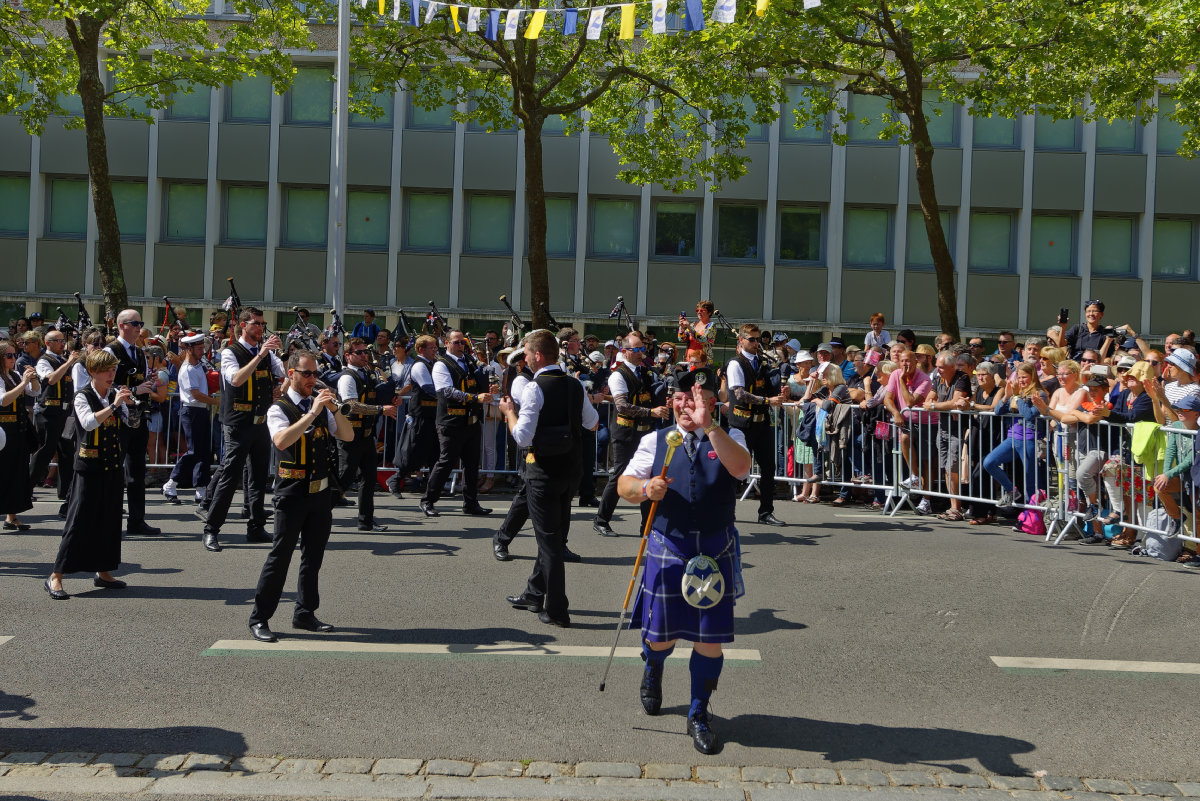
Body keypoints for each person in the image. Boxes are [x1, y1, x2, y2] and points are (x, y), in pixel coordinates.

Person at [617, 366, 751, 755]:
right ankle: (653, 666)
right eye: (678, 398)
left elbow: (741, 469)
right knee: (661, 635)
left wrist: (711, 428)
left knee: (710, 639)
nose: (683, 405)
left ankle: (698, 712)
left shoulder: (730, 436)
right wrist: (645, 487)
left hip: (715, 548)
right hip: (669, 545)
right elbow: (625, 485)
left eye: (693, 399)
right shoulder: (654, 441)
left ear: (710, 403)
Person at [248, 350, 354, 643]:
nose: (312, 379)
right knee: (279, 557)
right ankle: (259, 618)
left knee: (313, 557)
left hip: (319, 494)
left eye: (315, 374)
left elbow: (348, 436)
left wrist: (332, 409)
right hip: (291, 493)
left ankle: (305, 612)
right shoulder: (278, 409)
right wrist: (312, 413)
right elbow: (281, 440)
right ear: (291, 374)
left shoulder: (319, 406)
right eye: (306, 373)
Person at [499, 329, 598, 627]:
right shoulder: (574, 385)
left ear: (538, 355)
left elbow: (522, 437)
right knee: (552, 536)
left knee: (549, 543)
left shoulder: (533, 387)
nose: (525, 359)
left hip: (542, 473)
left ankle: (556, 609)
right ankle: (534, 593)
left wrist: (508, 413)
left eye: (527, 353)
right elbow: (592, 424)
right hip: (570, 473)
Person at [46, 349, 133, 599]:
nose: (111, 374)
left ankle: (103, 571)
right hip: (88, 466)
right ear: (92, 372)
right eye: (106, 370)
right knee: (78, 520)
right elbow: (88, 423)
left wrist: (130, 406)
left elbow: (131, 423)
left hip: (112, 465)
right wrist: (114, 406)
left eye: (114, 369)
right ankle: (56, 576)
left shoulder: (114, 394)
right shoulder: (82, 396)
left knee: (109, 519)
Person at [199, 307, 285, 552]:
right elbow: (235, 379)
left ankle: (256, 526)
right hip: (237, 424)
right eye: (256, 323)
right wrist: (260, 355)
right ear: (244, 325)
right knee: (230, 477)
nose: (261, 327)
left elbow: (286, 372)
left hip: (260, 423)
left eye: (262, 323)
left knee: (259, 478)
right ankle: (211, 530)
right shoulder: (230, 352)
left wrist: (280, 385)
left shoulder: (266, 353)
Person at [594, 331, 669, 536]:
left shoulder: (646, 372)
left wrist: (663, 403)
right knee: (619, 475)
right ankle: (601, 520)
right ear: (625, 352)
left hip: (645, 433)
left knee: (648, 476)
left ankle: (647, 526)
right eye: (636, 349)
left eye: (643, 349)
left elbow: (650, 397)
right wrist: (651, 412)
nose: (640, 353)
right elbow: (623, 406)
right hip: (625, 432)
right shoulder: (618, 375)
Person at [419, 329, 493, 518]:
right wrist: (475, 398)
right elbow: (446, 392)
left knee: (472, 464)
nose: (461, 346)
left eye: (463, 343)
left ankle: (471, 503)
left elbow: (477, 382)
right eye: (457, 342)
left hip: (471, 421)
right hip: (451, 421)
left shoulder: (468, 361)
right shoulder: (441, 365)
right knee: (446, 462)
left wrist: (487, 379)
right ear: (447, 343)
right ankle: (428, 500)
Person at [104, 310, 161, 537]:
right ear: (121, 326)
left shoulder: (138, 352)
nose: (139, 327)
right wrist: (135, 389)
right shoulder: (111, 351)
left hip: (137, 417)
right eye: (134, 323)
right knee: (115, 469)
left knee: (137, 469)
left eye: (140, 323)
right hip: (118, 418)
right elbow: (105, 385)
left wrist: (149, 381)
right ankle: (109, 519)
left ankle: (137, 520)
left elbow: (136, 380)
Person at [725, 323, 788, 525]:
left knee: (769, 467)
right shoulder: (736, 363)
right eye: (751, 339)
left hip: (762, 424)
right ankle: (725, 511)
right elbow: (740, 394)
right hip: (741, 424)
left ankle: (766, 512)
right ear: (741, 340)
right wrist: (768, 401)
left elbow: (768, 390)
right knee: (736, 469)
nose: (755, 343)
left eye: (757, 339)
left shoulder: (762, 362)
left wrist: (780, 393)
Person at [336, 337, 398, 532]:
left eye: (365, 351)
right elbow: (351, 405)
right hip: (350, 435)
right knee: (343, 480)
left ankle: (366, 520)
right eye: (359, 352)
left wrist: (392, 400)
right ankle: (316, 516)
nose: (365, 355)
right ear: (348, 355)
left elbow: (376, 396)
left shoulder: (368, 374)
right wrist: (381, 409)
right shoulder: (347, 377)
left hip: (366, 435)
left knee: (369, 479)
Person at [164, 333, 217, 505]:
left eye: (203, 348)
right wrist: (218, 402)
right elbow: (195, 395)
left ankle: (201, 489)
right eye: (199, 349)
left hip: (200, 411)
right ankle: (171, 483)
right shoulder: (187, 369)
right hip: (191, 411)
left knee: (203, 451)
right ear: (189, 349)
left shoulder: (198, 366)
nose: (203, 351)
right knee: (193, 451)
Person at [29, 328, 80, 499]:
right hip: (49, 412)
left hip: (65, 412)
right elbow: (50, 379)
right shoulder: (44, 360)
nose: (62, 344)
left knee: (66, 452)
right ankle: (26, 487)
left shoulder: (64, 359)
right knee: (46, 449)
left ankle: (65, 491)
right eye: (58, 341)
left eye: (62, 340)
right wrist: (69, 363)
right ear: (48, 343)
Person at [494, 347, 534, 562]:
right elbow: (530, 406)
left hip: (555, 443)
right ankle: (502, 538)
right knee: (527, 495)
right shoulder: (522, 381)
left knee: (560, 498)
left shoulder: (549, 376)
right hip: (532, 444)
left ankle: (559, 544)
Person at [1, 340, 38, 531]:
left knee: (15, 474)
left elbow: (35, 391)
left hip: (18, 430)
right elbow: (3, 400)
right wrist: (23, 382)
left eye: (14, 355)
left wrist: (32, 378)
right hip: (3, 432)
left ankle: (11, 516)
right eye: (9, 355)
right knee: (4, 473)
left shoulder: (14, 375)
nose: (13, 358)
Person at [1052, 300, 1116, 362]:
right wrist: (1063, 327)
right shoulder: (1077, 328)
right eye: (1088, 311)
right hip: (1075, 367)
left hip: (1093, 368)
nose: (1091, 314)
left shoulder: (1105, 333)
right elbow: (1061, 344)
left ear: (1101, 314)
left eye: (1094, 311)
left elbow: (1108, 357)